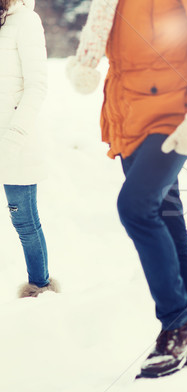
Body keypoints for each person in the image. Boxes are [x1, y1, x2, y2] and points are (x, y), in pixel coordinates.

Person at [66, 0, 187, 379]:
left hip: (176, 115)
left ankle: (177, 324)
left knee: (136, 207)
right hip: (132, 122)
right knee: (170, 228)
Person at [0, 0, 58, 298]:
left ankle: (40, 286)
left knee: (23, 220)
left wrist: (13, 136)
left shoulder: (25, 21)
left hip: (16, 142)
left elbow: (37, 86)